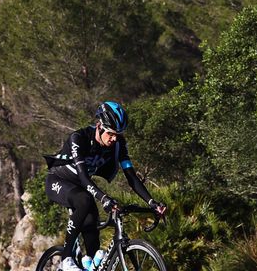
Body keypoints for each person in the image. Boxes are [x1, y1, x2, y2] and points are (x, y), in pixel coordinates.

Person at [44, 101, 167, 271]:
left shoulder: (118, 144)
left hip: (82, 188)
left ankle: (88, 263)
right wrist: (104, 198)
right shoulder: (78, 139)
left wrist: (152, 202)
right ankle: (66, 259)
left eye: (118, 134)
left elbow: (131, 177)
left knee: (92, 232)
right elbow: (84, 177)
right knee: (85, 200)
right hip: (58, 181)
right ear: (99, 126)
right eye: (111, 133)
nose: (114, 138)